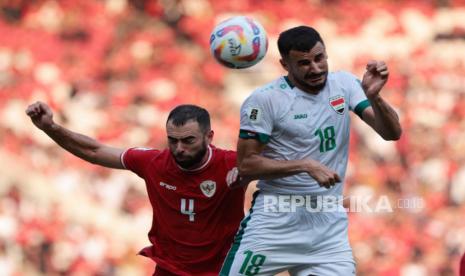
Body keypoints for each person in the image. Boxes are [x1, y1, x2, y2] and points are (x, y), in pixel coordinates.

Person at [220, 26, 402, 275]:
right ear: (285, 64)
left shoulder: (345, 84)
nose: (315, 68)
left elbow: (392, 133)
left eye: (319, 58)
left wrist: (375, 97)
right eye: (304, 63)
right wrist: (305, 165)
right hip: (275, 221)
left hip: (327, 228)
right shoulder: (265, 101)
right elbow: (247, 164)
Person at [26, 102, 247, 276]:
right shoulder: (154, 163)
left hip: (222, 271)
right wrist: (50, 128)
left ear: (209, 137)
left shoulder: (234, 163)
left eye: (188, 140)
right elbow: (94, 151)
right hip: (169, 271)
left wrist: (252, 172)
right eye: (172, 140)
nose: (179, 149)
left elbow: (277, 169)